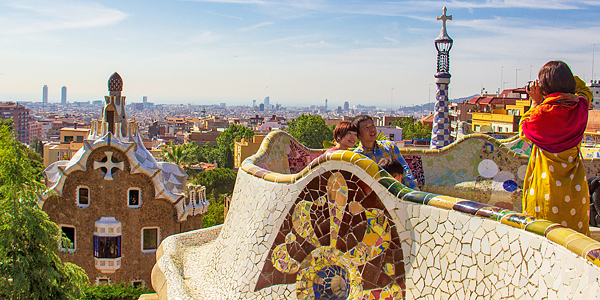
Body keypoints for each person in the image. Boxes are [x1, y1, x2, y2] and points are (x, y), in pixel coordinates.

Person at [520, 60, 592, 236]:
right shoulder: (581, 107)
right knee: (574, 242)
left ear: (544, 88)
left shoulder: (540, 114)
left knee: (545, 240)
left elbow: (524, 128)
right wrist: (564, 79)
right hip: (576, 191)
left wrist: (536, 102)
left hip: (546, 191)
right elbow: (585, 90)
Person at [353, 115, 418, 189]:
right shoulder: (358, 156)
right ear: (358, 135)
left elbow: (404, 170)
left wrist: (413, 190)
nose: (372, 129)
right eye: (366, 128)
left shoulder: (389, 146)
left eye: (372, 125)